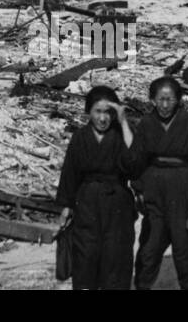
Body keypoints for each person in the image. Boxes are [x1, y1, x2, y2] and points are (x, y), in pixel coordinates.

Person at [126, 75, 188, 291]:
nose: (165, 105)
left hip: (183, 187)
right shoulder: (147, 124)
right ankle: (143, 285)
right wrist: (138, 189)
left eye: (170, 100)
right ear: (152, 100)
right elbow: (137, 159)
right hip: (154, 188)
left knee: (185, 244)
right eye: (160, 99)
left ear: (178, 100)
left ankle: (187, 285)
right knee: (150, 245)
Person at [56, 85, 137, 290]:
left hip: (117, 204)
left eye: (108, 112)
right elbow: (70, 172)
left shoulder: (122, 134)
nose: (102, 118)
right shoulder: (80, 137)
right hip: (87, 204)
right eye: (97, 111)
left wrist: (123, 122)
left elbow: (135, 160)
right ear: (88, 112)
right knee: (85, 254)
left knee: (116, 256)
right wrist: (66, 206)